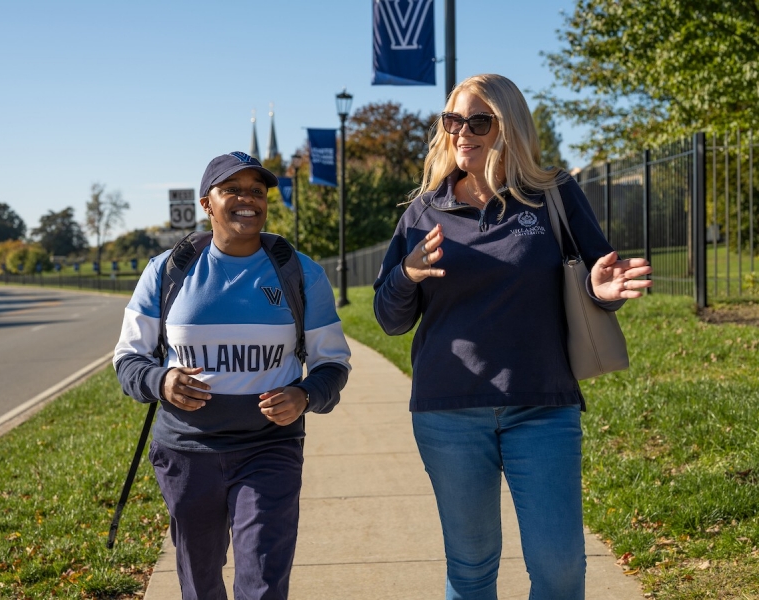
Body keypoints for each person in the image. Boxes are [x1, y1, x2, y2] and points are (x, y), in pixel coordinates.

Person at [373, 74, 652, 600]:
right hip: (449, 412)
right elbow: (389, 319)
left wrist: (602, 290)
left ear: (509, 128)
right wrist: (406, 274)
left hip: (541, 405)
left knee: (560, 568)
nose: (463, 132)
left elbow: (597, 275)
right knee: (471, 570)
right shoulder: (423, 212)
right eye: (453, 121)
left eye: (479, 121)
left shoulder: (553, 194)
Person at [113, 151, 351, 600]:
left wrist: (305, 395)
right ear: (207, 203)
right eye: (232, 190)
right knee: (200, 582)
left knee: (263, 580)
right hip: (186, 451)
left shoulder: (301, 273)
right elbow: (128, 359)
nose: (247, 199)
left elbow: (333, 363)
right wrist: (161, 382)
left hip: (269, 447)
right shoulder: (166, 271)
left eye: (256, 191)